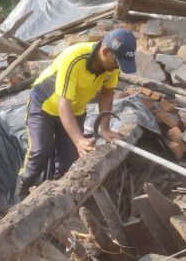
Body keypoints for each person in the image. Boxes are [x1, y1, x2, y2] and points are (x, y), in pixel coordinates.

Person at [18, 28, 138, 193]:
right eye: (117, 62)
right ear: (105, 52)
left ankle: (55, 199)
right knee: (40, 152)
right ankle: (20, 192)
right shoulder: (74, 58)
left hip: (75, 110)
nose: (118, 67)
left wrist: (106, 129)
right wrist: (79, 140)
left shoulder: (112, 65)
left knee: (68, 163)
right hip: (44, 106)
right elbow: (63, 104)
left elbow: (107, 94)